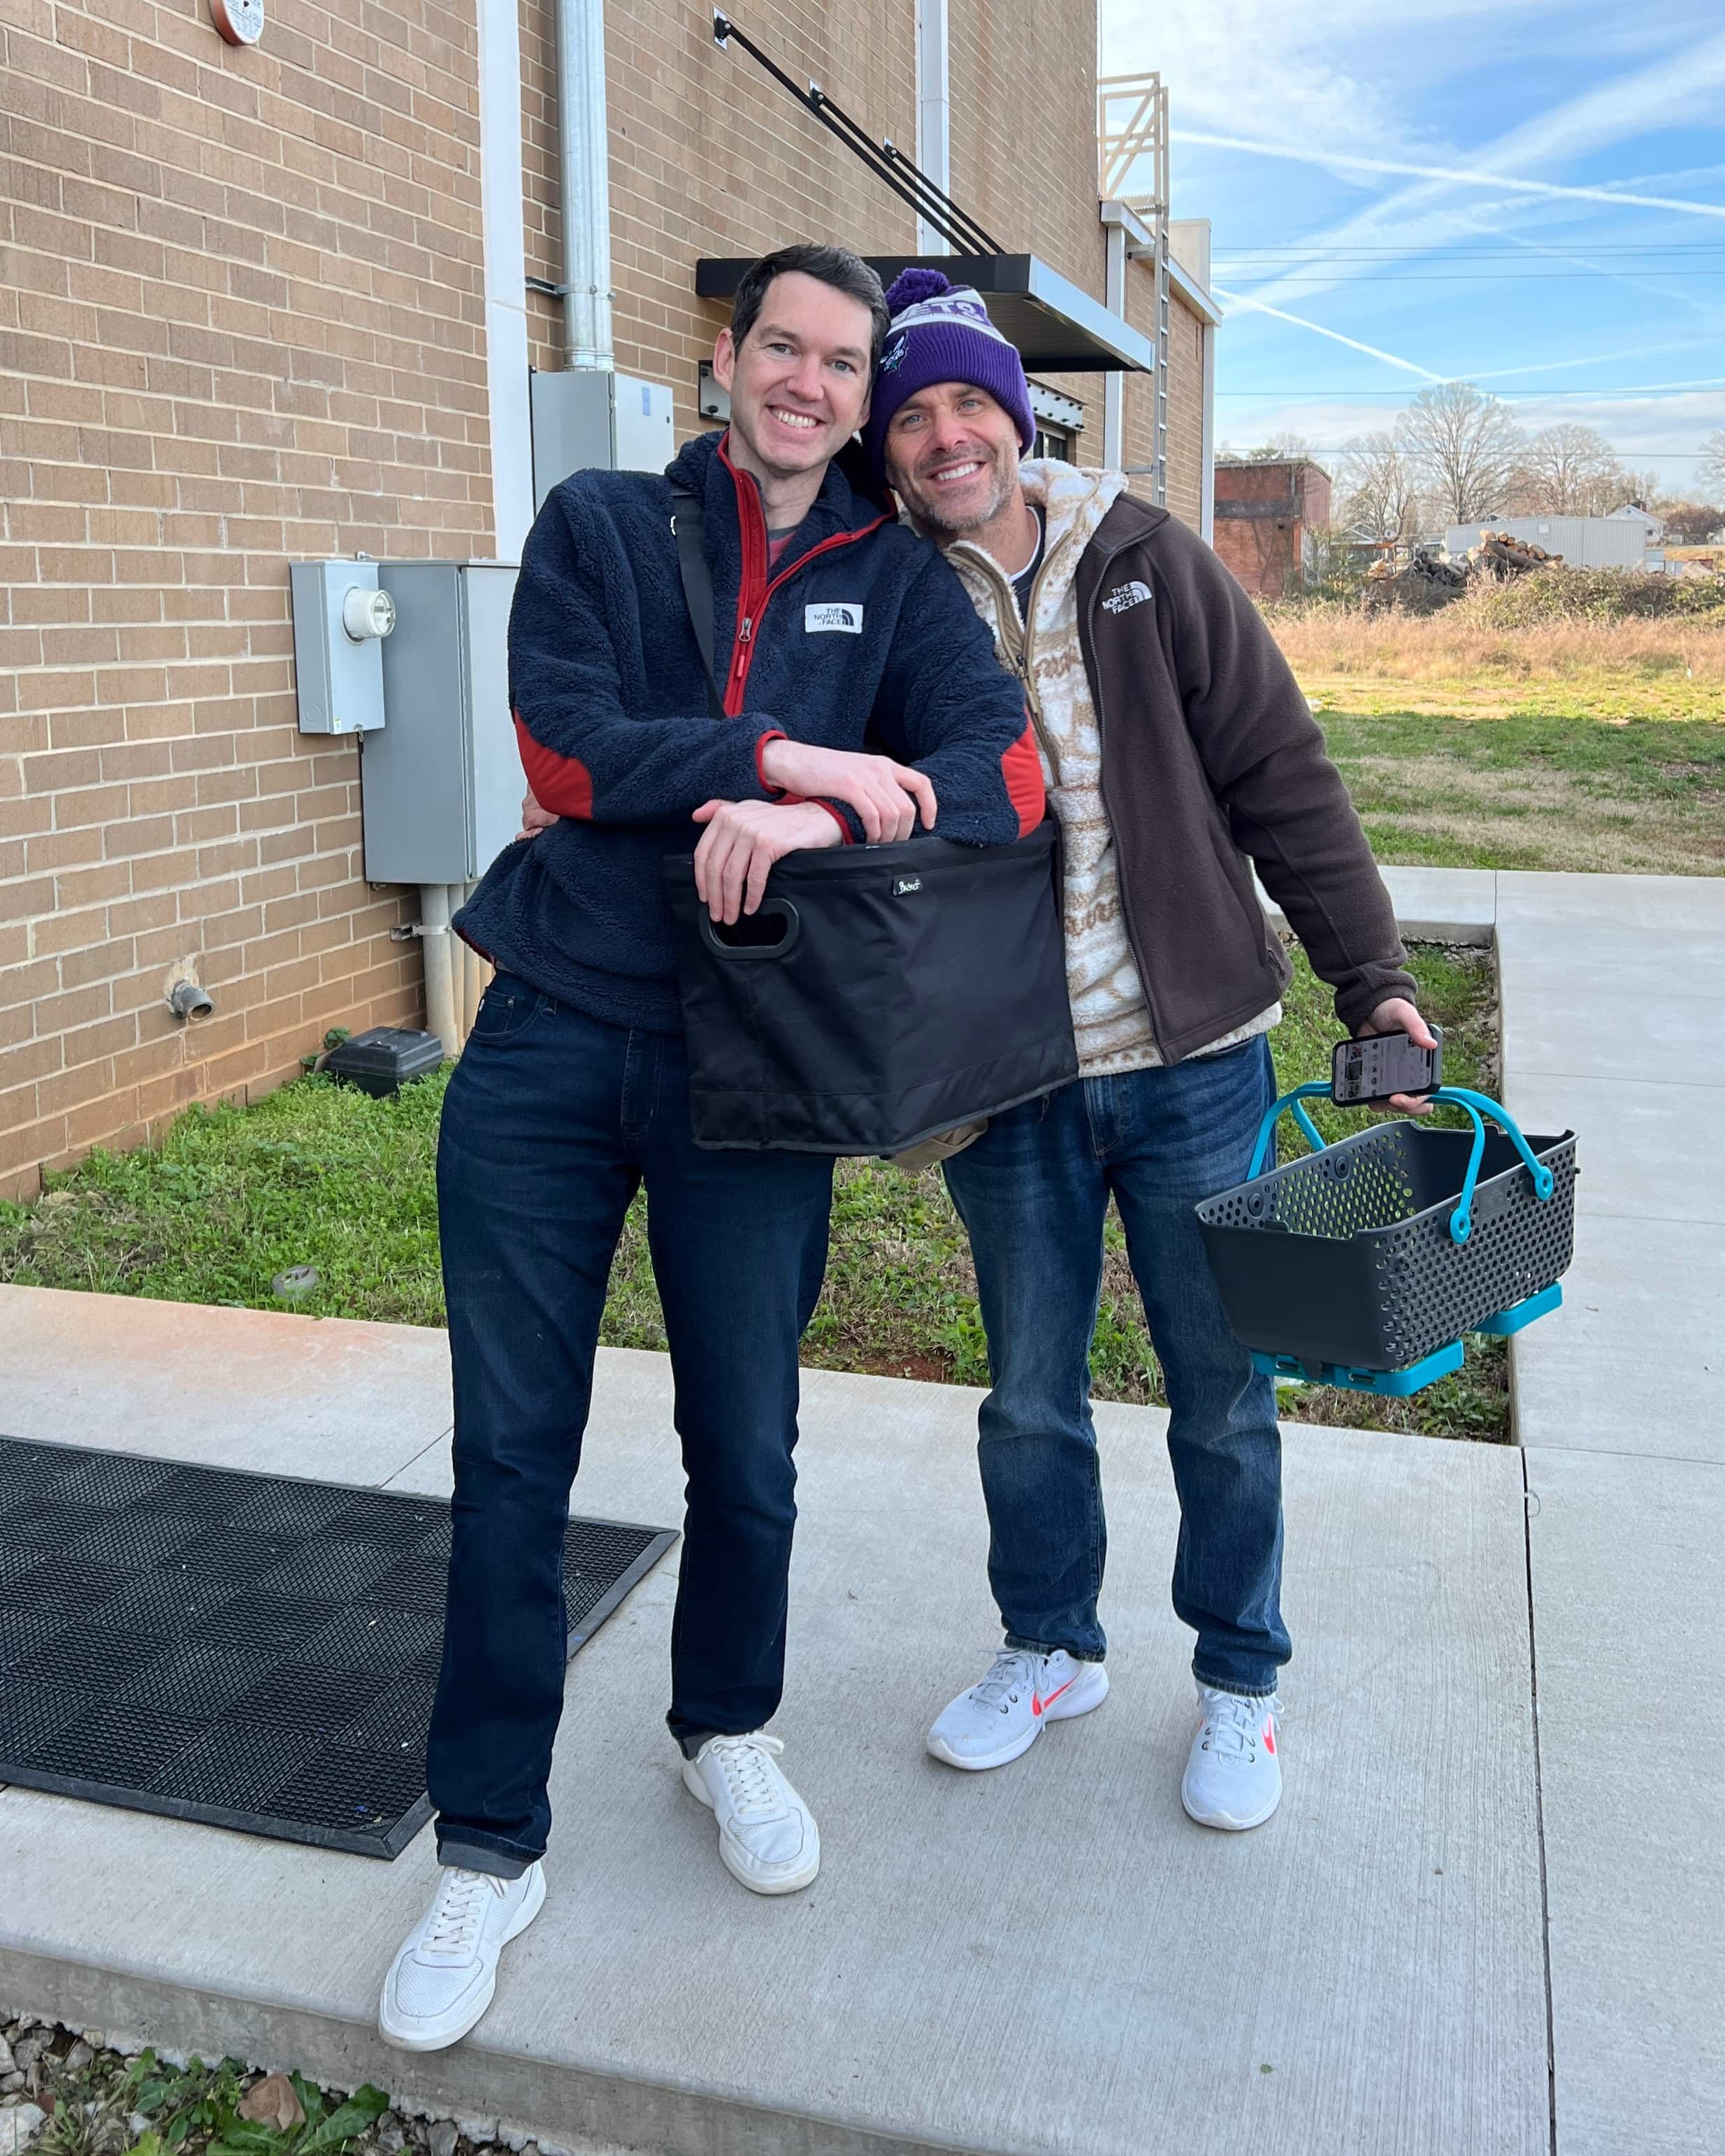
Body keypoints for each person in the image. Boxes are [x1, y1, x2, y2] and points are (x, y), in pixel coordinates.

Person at [377, 244, 1042, 2055]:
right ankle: (492, 1839)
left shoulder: (898, 581)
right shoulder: (598, 521)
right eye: (785, 348)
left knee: (744, 1439)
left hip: (760, 1057)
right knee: (510, 1453)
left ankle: (723, 1726)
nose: (811, 383)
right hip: (551, 1036)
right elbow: (565, 747)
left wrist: (807, 808)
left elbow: (998, 780)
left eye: (844, 362)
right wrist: (766, 757)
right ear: (727, 355)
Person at [865, 268, 1436, 1832]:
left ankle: (1240, 1681)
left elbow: (1279, 769)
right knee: (1029, 1395)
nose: (944, 437)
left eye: (966, 402)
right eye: (910, 417)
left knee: (1219, 1392)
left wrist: (1366, 974)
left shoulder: (1141, 556)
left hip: (1193, 1057)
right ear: (888, 446)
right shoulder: (885, 589)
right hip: (1006, 1078)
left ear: (1015, 411)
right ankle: (1049, 1642)